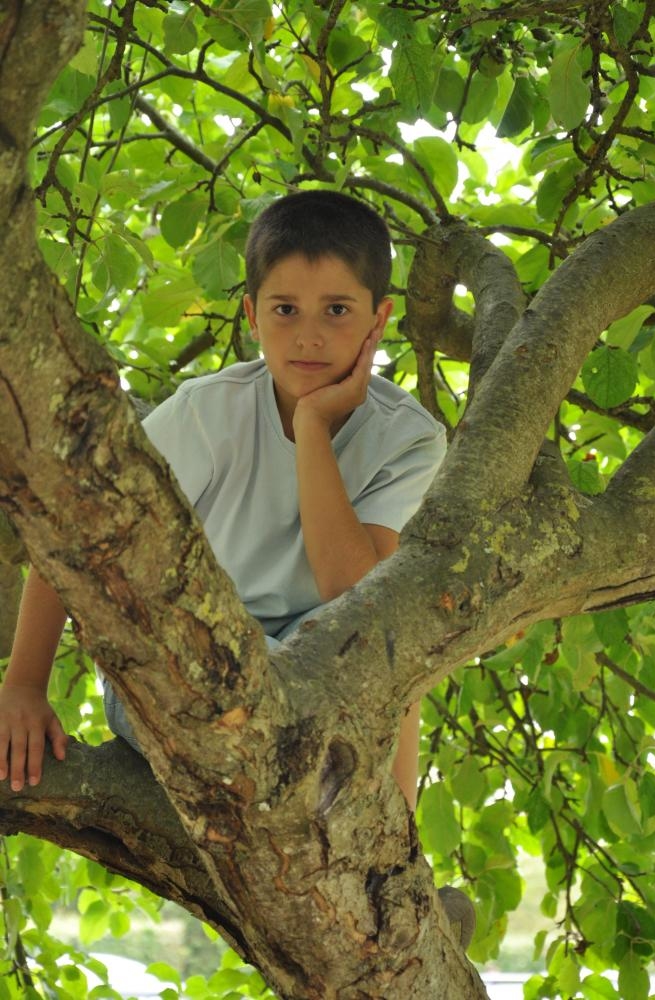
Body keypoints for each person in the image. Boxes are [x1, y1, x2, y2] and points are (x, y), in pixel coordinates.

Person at [1, 189, 448, 802]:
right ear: (252, 316)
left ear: (379, 319)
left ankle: (397, 827)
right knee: (272, 716)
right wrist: (24, 686)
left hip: (312, 671)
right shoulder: (207, 415)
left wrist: (312, 427)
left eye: (337, 310)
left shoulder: (408, 437)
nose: (309, 336)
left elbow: (353, 594)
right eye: (285, 309)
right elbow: (79, 522)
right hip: (178, 664)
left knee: (392, 634)